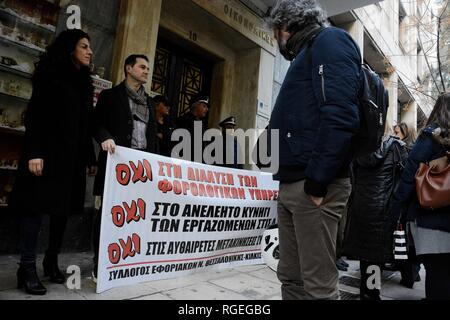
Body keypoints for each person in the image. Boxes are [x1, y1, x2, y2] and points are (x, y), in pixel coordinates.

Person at [267, 0, 361, 300]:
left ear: (284, 27)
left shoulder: (330, 40)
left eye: (275, 32)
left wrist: (318, 180)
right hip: (293, 183)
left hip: (315, 187)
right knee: (291, 278)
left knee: (317, 284)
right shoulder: (305, 54)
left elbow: (341, 114)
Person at [9, 29, 97, 295]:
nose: (90, 51)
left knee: (62, 209)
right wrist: (35, 152)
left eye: (90, 47)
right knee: (34, 209)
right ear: (70, 48)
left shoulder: (85, 82)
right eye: (84, 46)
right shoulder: (50, 74)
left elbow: (85, 124)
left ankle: (51, 260)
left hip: (71, 159)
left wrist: (90, 157)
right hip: (46, 155)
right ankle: (26, 267)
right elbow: (35, 115)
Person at [92, 54, 158, 281]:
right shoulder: (110, 96)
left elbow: (152, 138)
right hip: (115, 166)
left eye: (148, 68)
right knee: (107, 214)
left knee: (135, 214)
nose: (146, 71)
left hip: (140, 170)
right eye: (142, 67)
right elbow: (95, 123)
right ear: (128, 68)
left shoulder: (150, 102)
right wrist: (105, 137)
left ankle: (127, 261)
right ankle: (99, 263)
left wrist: (156, 164)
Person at [390, 93, 450, 300]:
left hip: (431, 219)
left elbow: (410, 175)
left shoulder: (431, 135)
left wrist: (395, 208)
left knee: (437, 274)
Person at [344, 126, 409, 300]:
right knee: (376, 255)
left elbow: (352, 176)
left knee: (365, 254)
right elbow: (406, 177)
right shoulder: (397, 146)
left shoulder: (357, 147)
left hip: (361, 206)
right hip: (384, 208)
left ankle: (367, 292)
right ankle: (371, 294)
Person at [393, 122, 421, 288]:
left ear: (406, 133)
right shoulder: (410, 149)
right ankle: (412, 272)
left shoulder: (407, 151)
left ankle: (409, 273)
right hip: (412, 201)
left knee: (406, 239)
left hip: (409, 201)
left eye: (398, 133)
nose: (395, 136)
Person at [176, 94, 210, 162]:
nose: (207, 109)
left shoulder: (201, 124)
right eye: (204, 106)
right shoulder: (183, 121)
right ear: (195, 106)